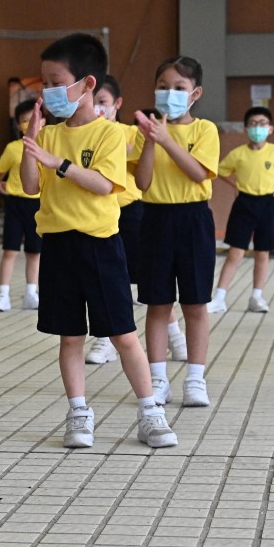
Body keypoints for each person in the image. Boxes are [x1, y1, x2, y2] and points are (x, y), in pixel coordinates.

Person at [20, 34, 176, 450]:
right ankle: (78, 413)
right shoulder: (49, 135)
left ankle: (150, 412)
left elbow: (106, 184)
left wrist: (61, 164)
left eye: (56, 82)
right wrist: (32, 144)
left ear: (87, 84)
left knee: (123, 334)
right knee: (69, 336)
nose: (48, 91)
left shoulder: (108, 134)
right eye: (44, 83)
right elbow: (30, 185)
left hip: (99, 245)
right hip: (58, 245)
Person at [131, 57, 219, 407]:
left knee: (195, 303)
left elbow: (198, 173)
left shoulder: (204, 130)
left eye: (178, 88)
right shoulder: (147, 131)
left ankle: (195, 378)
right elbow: (142, 181)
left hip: (193, 220)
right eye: (163, 87)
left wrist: (166, 139)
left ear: (195, 93)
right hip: (153, 219)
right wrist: (152, 140)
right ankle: (157, 378)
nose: (169, 94)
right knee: (158, 303)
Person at [86, 76, 188, 365]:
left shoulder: (133, 133)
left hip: (132, 214)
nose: (97, 108)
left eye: (103, 102)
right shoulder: (83, 134)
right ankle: (104, 340)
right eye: (93, 102)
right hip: (96, 216)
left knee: (152, 280)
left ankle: (175, 335)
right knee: (104, 281)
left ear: (117, 104)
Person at [207, 106, 274, 314]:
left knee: (262, 253)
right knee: (235, 252)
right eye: (253, 124)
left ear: (270, 128)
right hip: (244, 204)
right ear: (246, 128)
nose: (257, 128)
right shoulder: (238, 154)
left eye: (262, 124)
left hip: (268, 204)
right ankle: (220, 297)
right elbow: (221, 170)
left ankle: (257, 296)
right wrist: (235, 185)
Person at [0, 98, 40, 312]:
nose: (28, 124)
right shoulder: (13, 148)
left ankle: (31, 293)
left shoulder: (49, 146)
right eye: (24, 120)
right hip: (15, 204)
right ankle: (3, 294)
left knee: (35, 252)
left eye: (33, 119)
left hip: (38, 204)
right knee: (10, 250)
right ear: (18, 125)